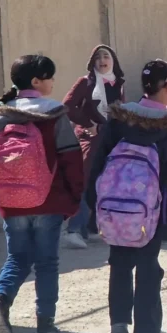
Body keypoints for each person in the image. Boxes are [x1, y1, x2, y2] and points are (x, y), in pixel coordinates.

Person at [87, 60, 167, 333]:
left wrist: (94, 202)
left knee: (119, 262)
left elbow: (99, 162)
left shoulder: (120, 119)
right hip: (152, 212)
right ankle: (148, 331)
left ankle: (119, 323)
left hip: (115, 208)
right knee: (148, 265)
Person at [0, 56, 84, 333]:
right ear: (37, 81)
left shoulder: (1, 117)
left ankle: (0, 299)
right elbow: (72, 161)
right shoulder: (55, 115)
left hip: (11, 202)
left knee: (17, 258)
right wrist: (74, 201)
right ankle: (45, 326)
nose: (53, 82)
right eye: (49, 77)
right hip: (49, 202)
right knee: (47, 262)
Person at [62, 44, 125, 249]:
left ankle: (90, 228)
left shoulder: (117, 83)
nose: (102, 60)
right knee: (86, 181)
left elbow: (120, 112)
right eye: (97, 57)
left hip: (111, 140)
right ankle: (73, 229)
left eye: (106, 56)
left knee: (104, 183)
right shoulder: (85, 82)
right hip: (91, 139)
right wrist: (89, 124)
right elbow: (68, 106)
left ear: (113, 60)